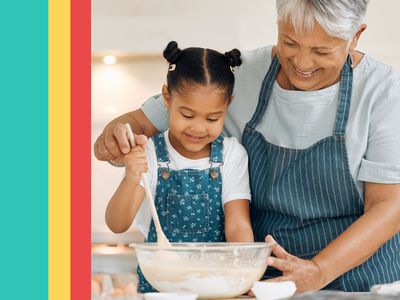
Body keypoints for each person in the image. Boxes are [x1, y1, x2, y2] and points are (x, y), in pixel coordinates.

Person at [95, 0, 400, 293]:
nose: (302, 63)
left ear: (355, 36)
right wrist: (117, 137)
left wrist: (319, 270)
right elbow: (139, 123)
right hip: (261, 283)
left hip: (359, 283)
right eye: (289, 43)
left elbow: (388, 206)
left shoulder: (382, 92)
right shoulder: (241, 74)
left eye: (321, 51)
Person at [104, 41, 254, 293]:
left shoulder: (231, 155)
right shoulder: (149, 152)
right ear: (167, 97)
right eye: (187, 115)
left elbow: (238, 225)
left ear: (228, 105)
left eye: (212, 118)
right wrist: (131, 178)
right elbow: (117, 224)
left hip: (215, 288)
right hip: (159, 289)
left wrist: (243, 273)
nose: (198, 128)